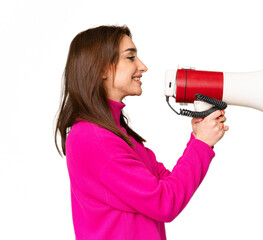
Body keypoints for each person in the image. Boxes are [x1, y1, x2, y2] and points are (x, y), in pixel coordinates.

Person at [55, 25, 229, 240]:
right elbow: (165, 203)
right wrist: (201, 144)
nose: (143, 66)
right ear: (100, 68)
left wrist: (199, 138)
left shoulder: (116, 135)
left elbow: (169, 187)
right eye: (130, 58)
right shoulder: (92, 137)